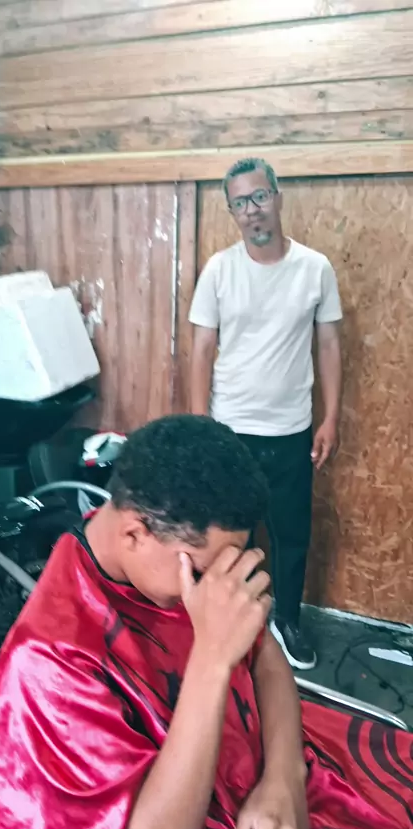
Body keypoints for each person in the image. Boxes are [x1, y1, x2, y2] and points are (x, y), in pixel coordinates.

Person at [0, 415, 412, 829]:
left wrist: (285, 777)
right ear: (134, 534)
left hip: (284, 766)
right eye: (203, 572)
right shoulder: (49, 664)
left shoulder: (164, 552)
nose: (218, 586)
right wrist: (212, 659)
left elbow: (264, 656)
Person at [189, 158, 343, 670]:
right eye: (240, 202)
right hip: (230, 431)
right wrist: (201, 427)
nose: (251, 210)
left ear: (277, 197)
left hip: (291, 431)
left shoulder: (315, 269)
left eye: (259, 197)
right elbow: (201, 349)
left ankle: (288, 621)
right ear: (232, 211)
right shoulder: (220, 270)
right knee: (228, 537)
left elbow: (328, 344)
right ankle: (228, 629)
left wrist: (331, 418)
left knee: (291, 535)